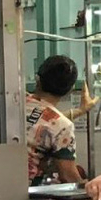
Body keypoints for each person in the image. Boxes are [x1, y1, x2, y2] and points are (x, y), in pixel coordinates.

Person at [25, 54, 88, 183]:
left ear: (37, 79)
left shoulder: (17, 101)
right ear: (70, 89)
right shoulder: (63, 126)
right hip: (25, 194)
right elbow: (68, 176)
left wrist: (79, 111)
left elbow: (41, 121)